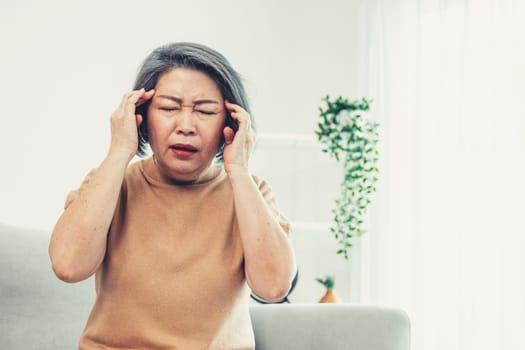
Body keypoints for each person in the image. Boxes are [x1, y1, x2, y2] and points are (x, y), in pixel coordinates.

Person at [48, 42, 297, 350]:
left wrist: (240, 171)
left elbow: (273, 286)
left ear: (229, 123)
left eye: (205, 111)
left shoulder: (251, 193)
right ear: (141, 116)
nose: (186, 127)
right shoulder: (112, 184)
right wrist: (119, 151)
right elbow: (68, 266)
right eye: (168, 108)